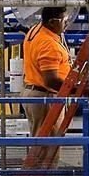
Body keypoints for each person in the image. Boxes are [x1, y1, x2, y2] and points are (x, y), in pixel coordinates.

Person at [22, 7, 72, 136]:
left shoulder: (36, 30)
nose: (67, 23)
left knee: (40, 139)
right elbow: (51, 80)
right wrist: (75, 90)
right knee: (49, 143)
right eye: (64, 20)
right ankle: (46, 158)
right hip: (45, 96)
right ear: (51, 22)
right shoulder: (48, 44)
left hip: (33, 91)